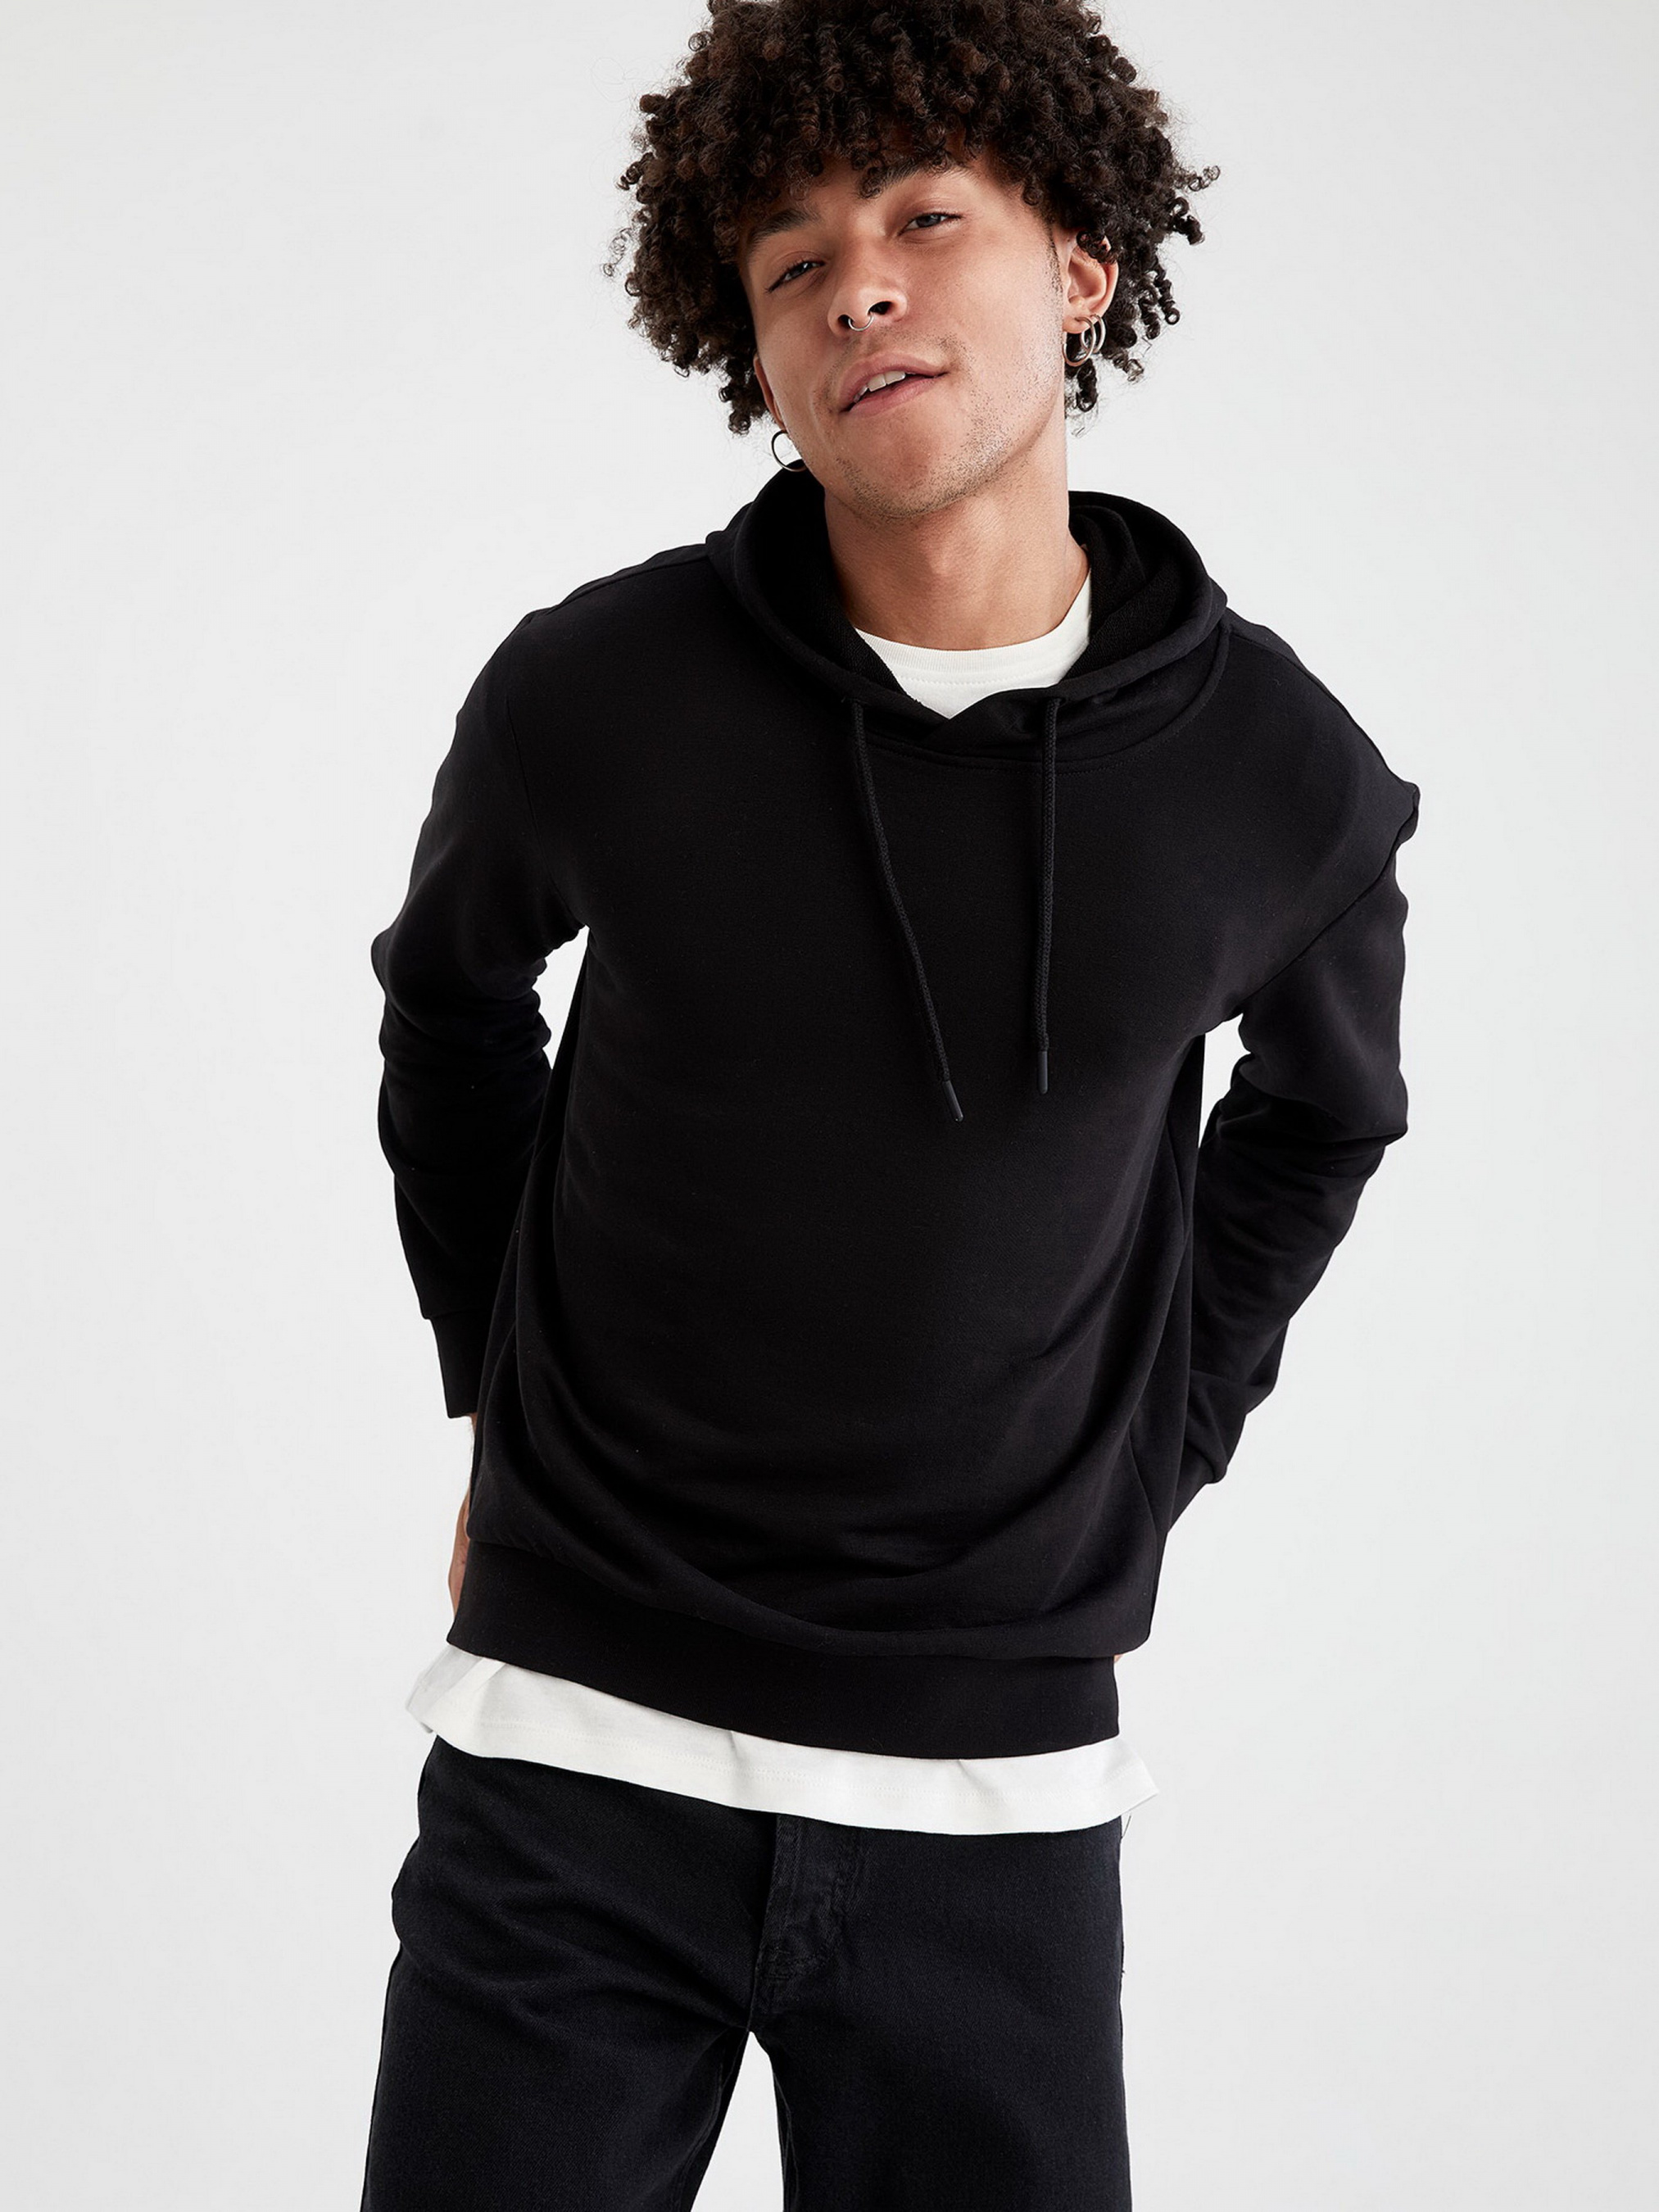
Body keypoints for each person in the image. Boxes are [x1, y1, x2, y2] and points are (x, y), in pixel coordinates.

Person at [357, 3, 1420, 2206]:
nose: (858, 286)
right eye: (792, 260)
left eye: (927, 219)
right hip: (572, 1758)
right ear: (748, 343)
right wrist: (496, 1385)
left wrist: (1156, 1441)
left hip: (990, 1810)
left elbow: (1323, 1119)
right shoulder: (598, 693)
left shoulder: (1272, 776)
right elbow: (448, 1002)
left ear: (1081, 267)